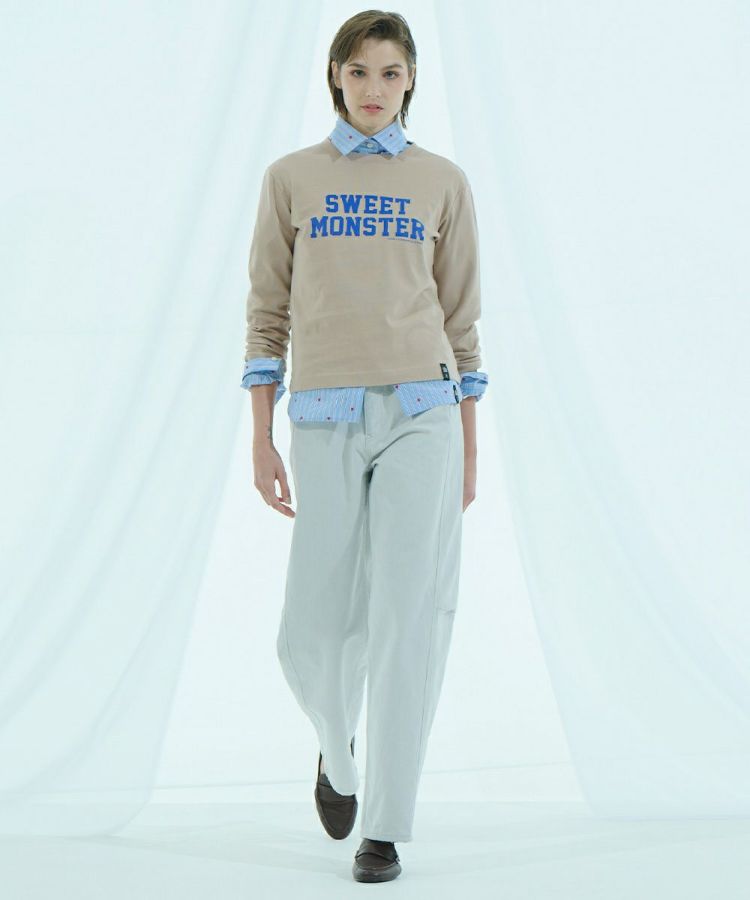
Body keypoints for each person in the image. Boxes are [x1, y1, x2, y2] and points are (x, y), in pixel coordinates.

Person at [240, 10, 488, 884]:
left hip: (424, 411)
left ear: (411, 79)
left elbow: (462, 323)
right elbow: (266, 313)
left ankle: (384, 826)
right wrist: (261, 436)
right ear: (335, 77)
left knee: (406, 616)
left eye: (390, 73)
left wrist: (467, 447)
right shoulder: (291, 179)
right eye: (359, 72)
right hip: (323, 414)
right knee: (312, 626)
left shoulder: (443, 181)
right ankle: (337, 753)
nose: (374, 89)